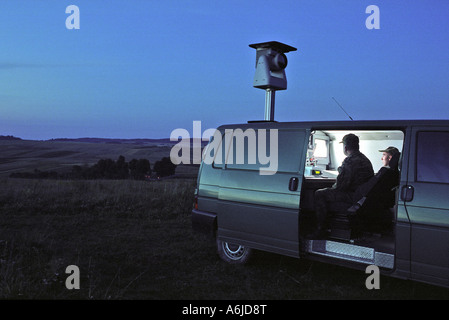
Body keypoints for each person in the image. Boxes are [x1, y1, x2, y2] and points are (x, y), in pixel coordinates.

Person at [309, 133, 374, 238]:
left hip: (352, 196)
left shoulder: (349, 160)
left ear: (345, 147)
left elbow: (341, 186)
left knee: (319, 193)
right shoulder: (365, 160)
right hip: (362, 197)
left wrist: (331, 187)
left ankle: (321, 229)